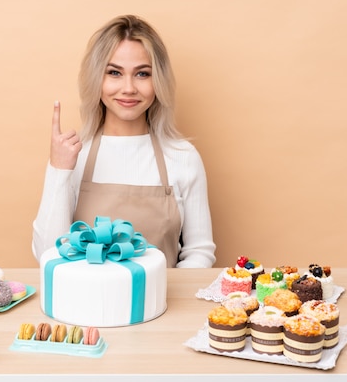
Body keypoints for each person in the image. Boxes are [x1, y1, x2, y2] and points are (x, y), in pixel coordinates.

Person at [32, 14, 216, 268]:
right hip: (85, 304)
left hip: (159, 305)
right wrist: (58, 170)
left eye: (142, 74)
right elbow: (48, 253)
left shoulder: (183, 156)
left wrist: (159, 294)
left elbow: (199, 252)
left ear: (158, 81)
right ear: (97, 78)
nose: (128, 88)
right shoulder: (74, 155)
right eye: (114, 72)